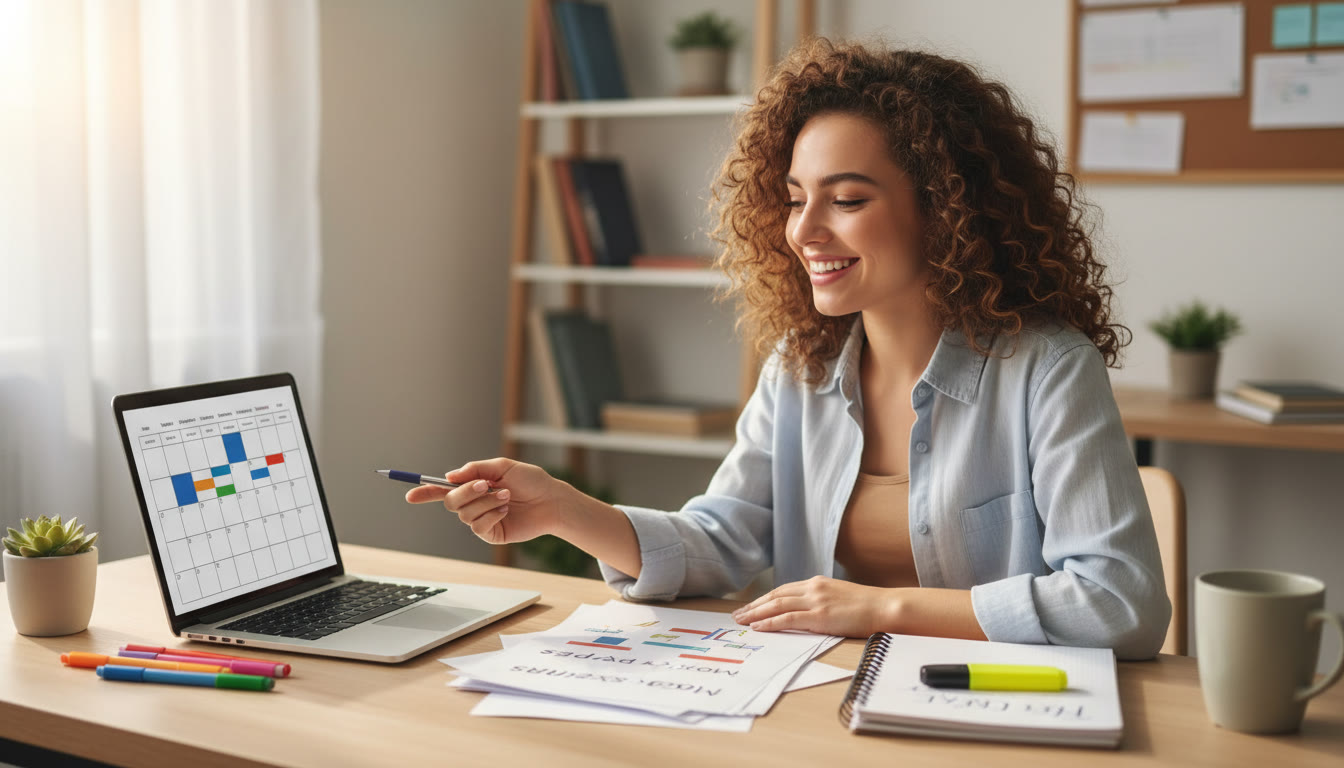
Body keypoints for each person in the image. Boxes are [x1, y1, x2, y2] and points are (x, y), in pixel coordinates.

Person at [408, 39, 1171, 660]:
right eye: (797, 198)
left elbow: (1122, 603)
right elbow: (722, 541)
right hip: (816, 711)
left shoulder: (1047, 369)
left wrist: (880, 609)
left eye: (847, 200)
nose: (804, 231)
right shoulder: (801, 367)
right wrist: (565, 510)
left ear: (946, 211)